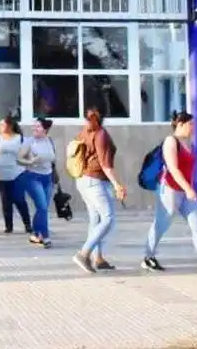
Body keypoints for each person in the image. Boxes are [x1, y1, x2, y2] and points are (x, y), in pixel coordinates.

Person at [142, 110, 197, 273]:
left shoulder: (189, 143)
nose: (193, 127)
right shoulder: (171, 141)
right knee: (161, 224)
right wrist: (188, 188)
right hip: (169, 190)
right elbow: (173, 168)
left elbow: (190, 169)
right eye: (190, 124)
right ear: (180, 124)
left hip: (186, 191)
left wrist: (190, 187)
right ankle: (148, 256)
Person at [73, 108, 125, 273]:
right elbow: (105, 164)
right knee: (108, 218)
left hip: (83, 180)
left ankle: (98, 258)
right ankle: (83, 253)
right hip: (94, 181)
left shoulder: (84, 132)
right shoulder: (100, 134)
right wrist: (117, 185)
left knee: (95, 220)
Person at [18, 117, 56, 247]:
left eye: (38, 126)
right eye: (33, 126)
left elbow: (52, 159)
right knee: (42, 207)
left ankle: (35, 233)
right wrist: (30, 162)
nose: (35, 129)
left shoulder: (49, 141)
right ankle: (45, 236)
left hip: (48, 177)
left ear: (45, 129)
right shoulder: (29, 142)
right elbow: (19, 159)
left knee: (42, 208)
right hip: (32, 177)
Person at [0, 115, 32, 235]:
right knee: (6, 200)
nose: (1, 127)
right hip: (1, 174)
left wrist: (30, 164)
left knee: (19, 198)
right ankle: (8, 226)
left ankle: (27, 224)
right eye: (0, 125)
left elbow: (27, 155)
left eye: (3, 125)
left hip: (18, 173)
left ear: (10, 126)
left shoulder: (20, 139)